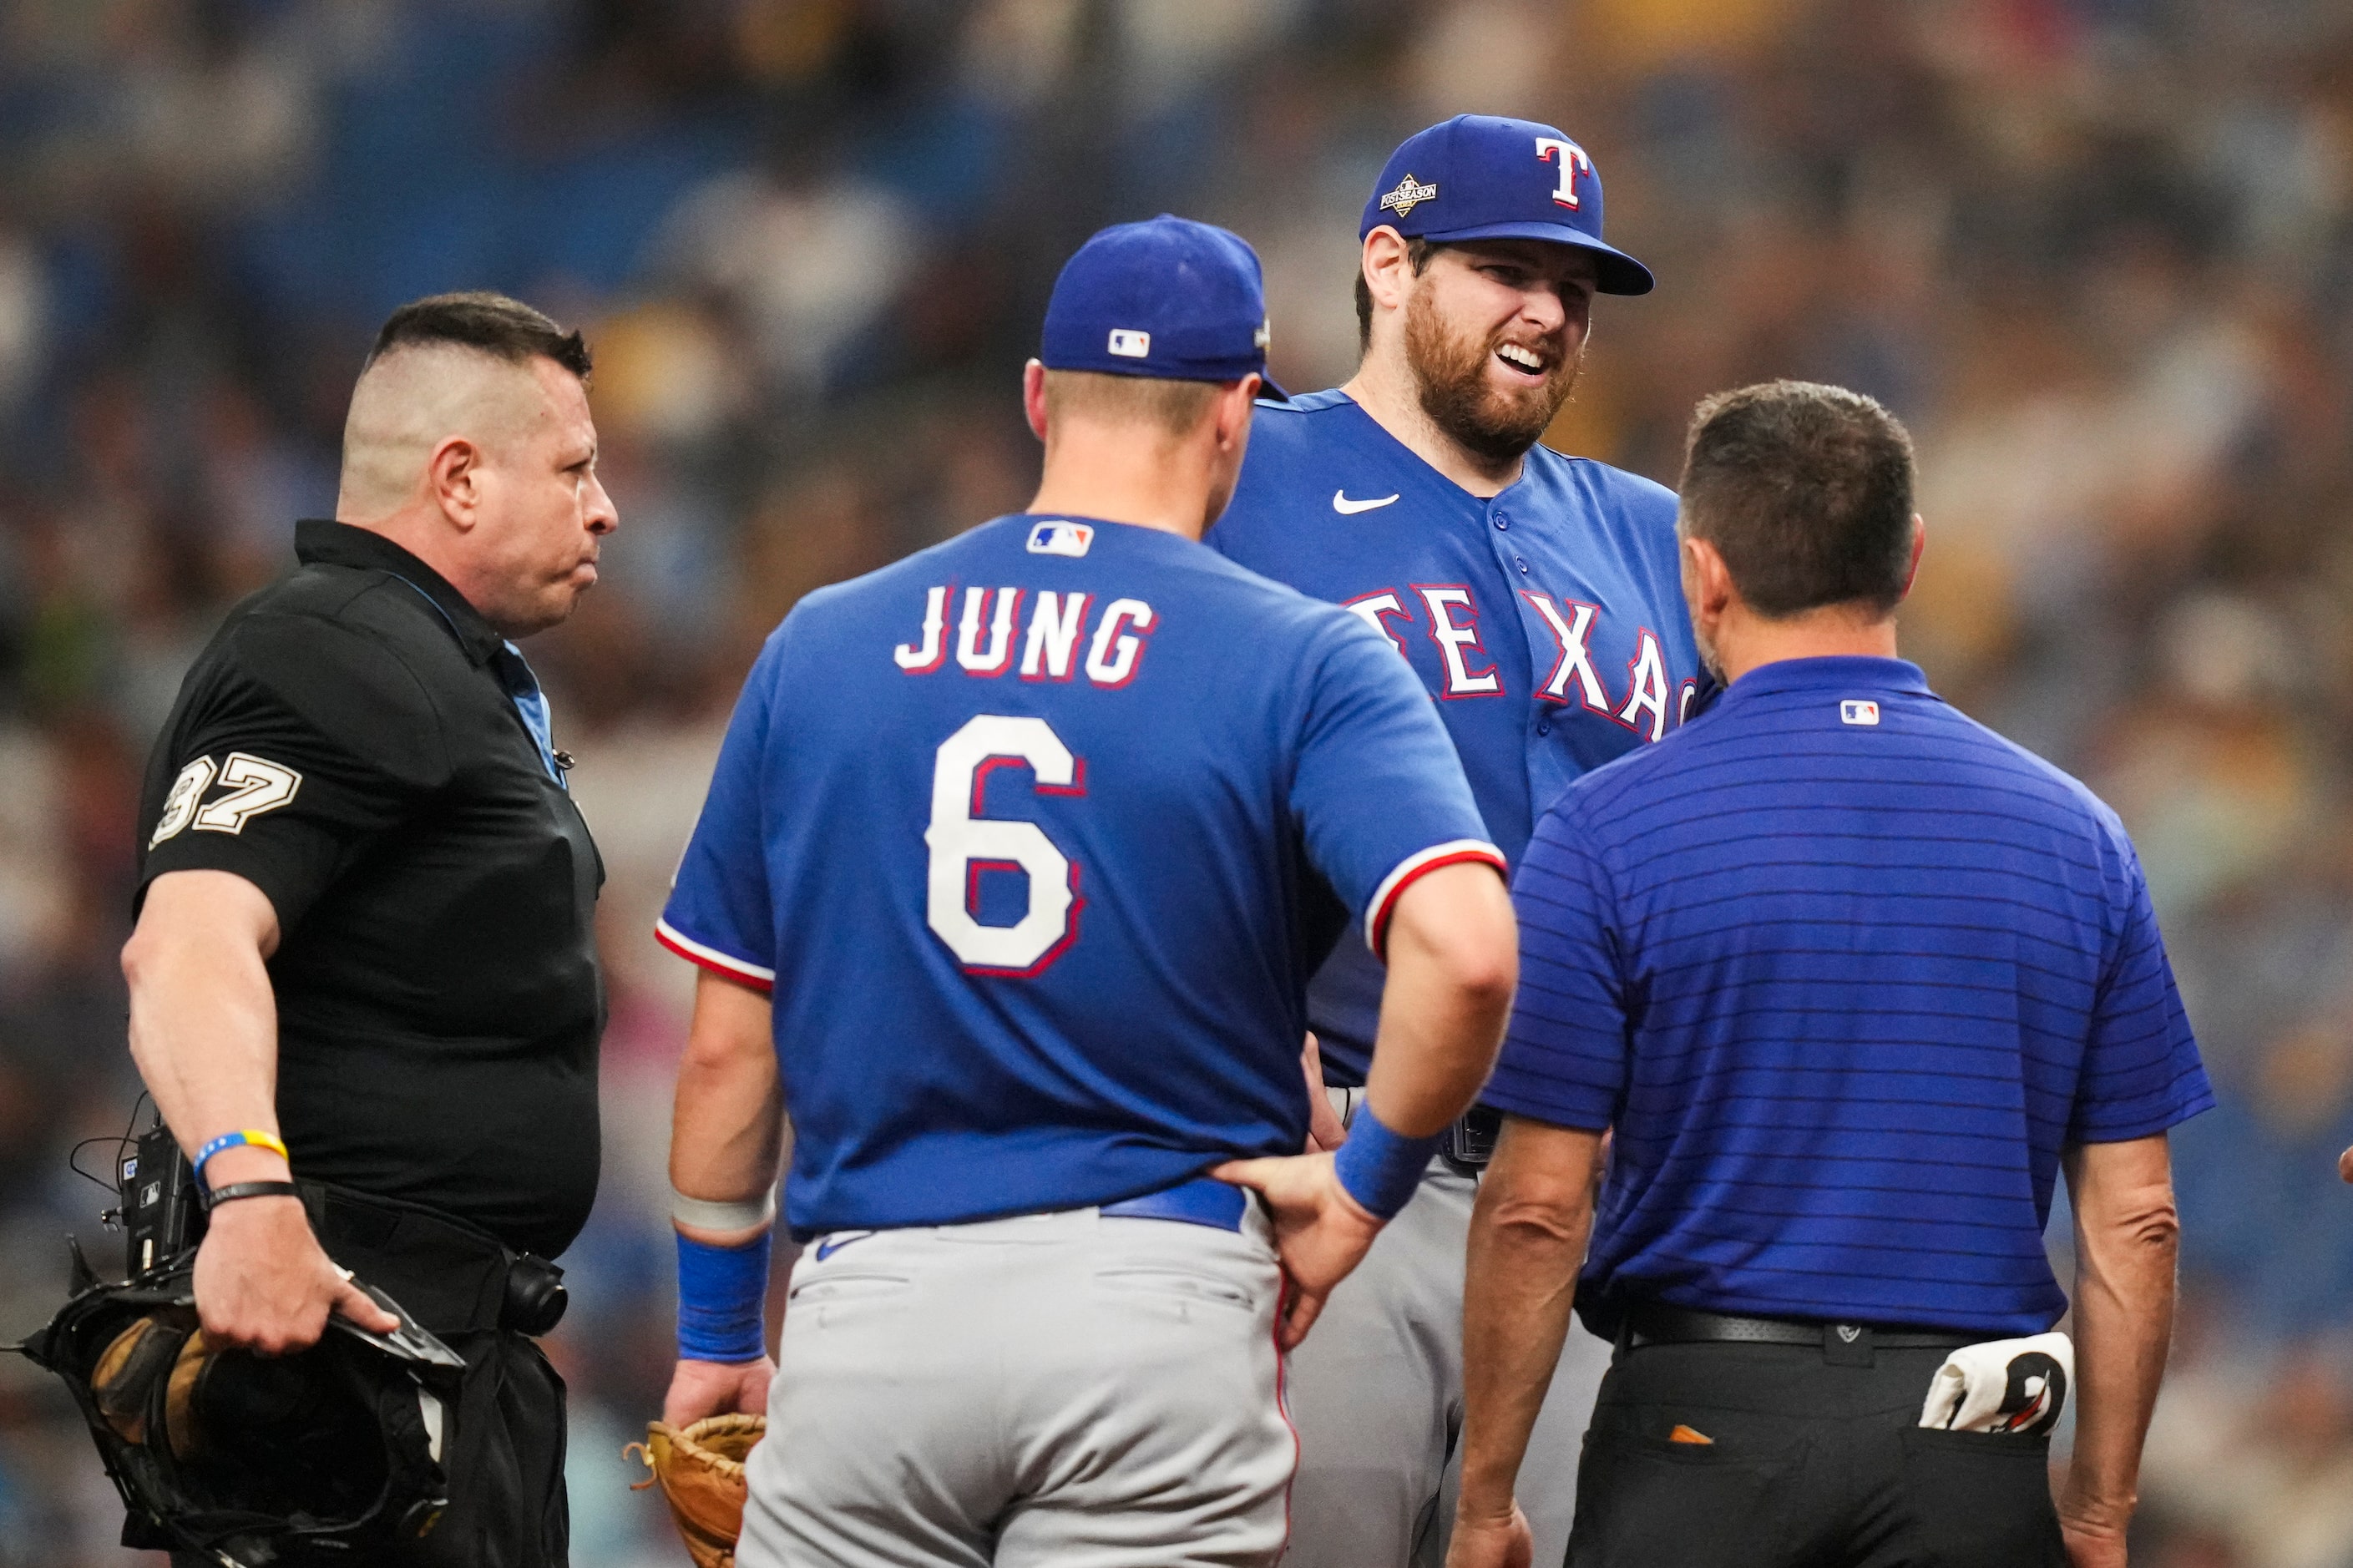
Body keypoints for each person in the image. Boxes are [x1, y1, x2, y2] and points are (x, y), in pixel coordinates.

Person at [652, 215, 1519, 1568]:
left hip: (874, 1306)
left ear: (1037, 394)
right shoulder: (1305, 659)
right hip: (1154, 1298)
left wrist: (714, 1331)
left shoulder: (822, 643)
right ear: (1238, 413)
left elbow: (724, 1045)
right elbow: (1467, 954)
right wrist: (1360, 1190)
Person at [1447, 380, 2215, 1568]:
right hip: (1970, 1440)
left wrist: (1486, 1495)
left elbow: (1539, 1205)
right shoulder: (2077, 837)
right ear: (1907, 558)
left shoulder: (1606, 829)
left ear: (1700, 571)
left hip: (1699, 1429)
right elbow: (2138, 1220)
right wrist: (2100, 1510)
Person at [1204, 113, 1699, 1568]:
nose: (1548, 310)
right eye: (1503, 267)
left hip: (1590, 1200)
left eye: (1575, 286)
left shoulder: (1656, 534)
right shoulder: (1243, 476)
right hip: (1333, 1163)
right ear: (1387, 266)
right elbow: (1120, 762)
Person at [124, 291, 618, 1566]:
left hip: (439, 1354)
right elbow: (185, 937)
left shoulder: (430, 663)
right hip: (338, 1359)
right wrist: (247, 1194)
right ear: (458, 480)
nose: (603, 506)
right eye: (573, 469)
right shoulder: (333, 647)